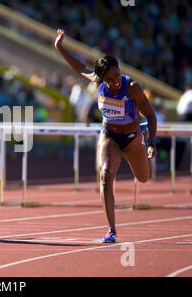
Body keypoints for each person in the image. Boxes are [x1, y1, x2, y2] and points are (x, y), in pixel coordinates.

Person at [54, 29, 157, 243]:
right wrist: (59, 47)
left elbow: (150, 114)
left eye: (116, 75)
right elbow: (78, 67)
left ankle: (142, 135)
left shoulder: (132, 88)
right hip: (109, 135)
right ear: (101, 78)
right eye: (110, 79)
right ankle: (111, 230)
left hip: (133, 137)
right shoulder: (98, 82)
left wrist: (151, 143)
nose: (115, 81)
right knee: (105, 176)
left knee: (143, 178)